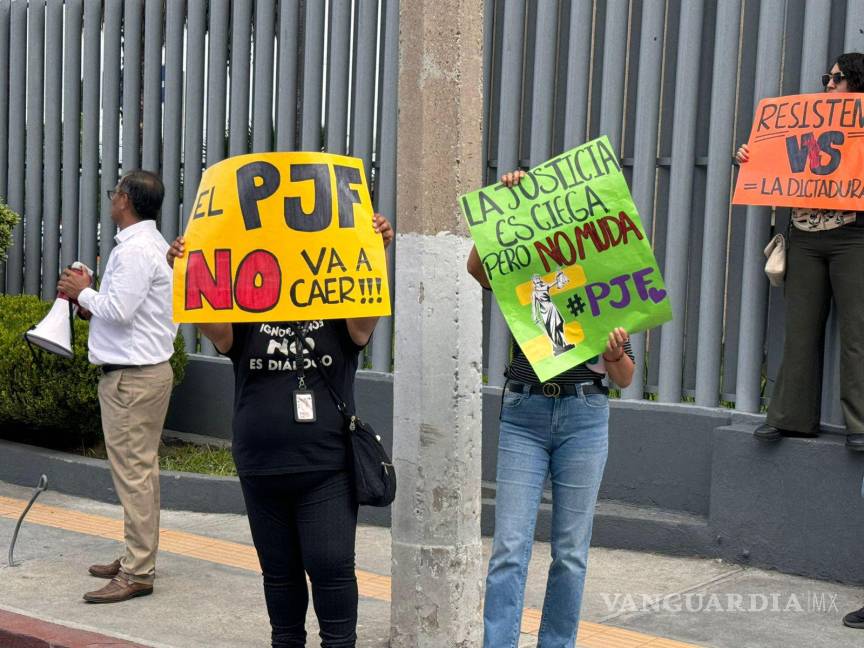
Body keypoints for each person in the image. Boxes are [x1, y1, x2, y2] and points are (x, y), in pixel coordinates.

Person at [167, 214, 392, 648]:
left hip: (326, 467)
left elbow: (366, 313)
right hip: (261, 468)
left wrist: (375, 250)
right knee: (280, 577)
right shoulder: (246, 312)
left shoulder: (340, 311)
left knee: (330, 569)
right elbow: (212, 325)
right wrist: (187, 267)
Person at [467, 170, 634, 648]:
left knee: (570, 553)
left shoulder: (609, 274)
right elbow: (478, 267)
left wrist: (615, 354)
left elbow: (624, 377)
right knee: (509, 549)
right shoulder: (527, 265)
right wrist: (503, 205)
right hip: (525, 412)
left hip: (585, 415)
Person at [57, 170, 177, 603]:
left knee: (135, 474)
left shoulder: (136, 251)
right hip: (144, 373)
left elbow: (121, 311)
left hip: (131, 379)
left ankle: (138, 571)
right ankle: (136, 557)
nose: (111, 200)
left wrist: (82, 292)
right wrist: (92, 306)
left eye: (114, 193)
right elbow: (135, 314)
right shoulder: (153, 247)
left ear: (125, 199)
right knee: (141, 472)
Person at [736, 52, 864, 451]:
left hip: (854, 238)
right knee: (800, 329)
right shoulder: (807, 120)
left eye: (837, 78)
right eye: (828, 77)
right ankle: (791, 418)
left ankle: (859, 425)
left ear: (857, 83)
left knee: (858, 333)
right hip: (805, 238)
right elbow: (776, 164)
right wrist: (748, 157)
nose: (828, 84)